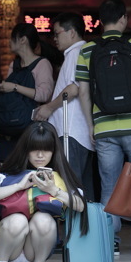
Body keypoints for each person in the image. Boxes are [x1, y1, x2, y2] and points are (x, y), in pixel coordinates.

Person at [76, 0, 131, 254]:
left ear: (100, 21)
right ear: (123, 19)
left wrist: (91, 124)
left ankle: (110, 241)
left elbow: (83, 92)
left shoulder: (88, 50)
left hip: (105, 129)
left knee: (109, 185)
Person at [0, 121, 87, 262]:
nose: (40, 155)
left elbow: (80, 205)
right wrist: (18, 186)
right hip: (7, 244)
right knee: (17, 219)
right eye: (34, 149)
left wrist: (54, 190)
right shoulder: (8, 174)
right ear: (25, 149)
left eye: (46, 149)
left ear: (54, 151)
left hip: (39, 247)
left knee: (44, 219)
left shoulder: (60, 177)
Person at [33, 12, 93, 193]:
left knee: (71, 187)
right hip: (77, 132)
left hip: (71, 132)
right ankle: (84, 221)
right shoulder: (78, 53)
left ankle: (73, 222)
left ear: (72, 33)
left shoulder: (76, 54)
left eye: (57, 33)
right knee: (82, 186)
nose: (54, 38)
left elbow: (74, 88)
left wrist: (48, 108)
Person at [0, 23, 55, 160]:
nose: (9, 42)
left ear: (22, 40)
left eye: (12, 39)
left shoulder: (42, 64)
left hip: (31, 127)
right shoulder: (14, 64)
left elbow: (44, 94)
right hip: (9, 127)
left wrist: (15, 87)